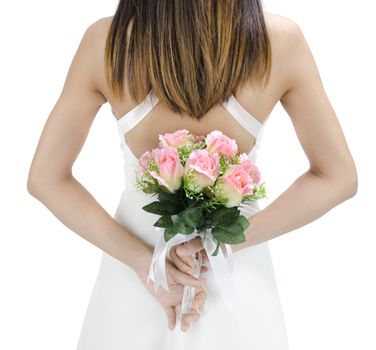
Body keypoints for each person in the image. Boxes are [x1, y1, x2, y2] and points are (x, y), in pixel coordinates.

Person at [26, 1, 358, 349]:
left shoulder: (106, 42)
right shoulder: (279, 42)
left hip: (136, 280)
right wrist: (222, 243)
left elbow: (47, 178)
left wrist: (145, 264)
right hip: (235, 280)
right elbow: (336, 176)